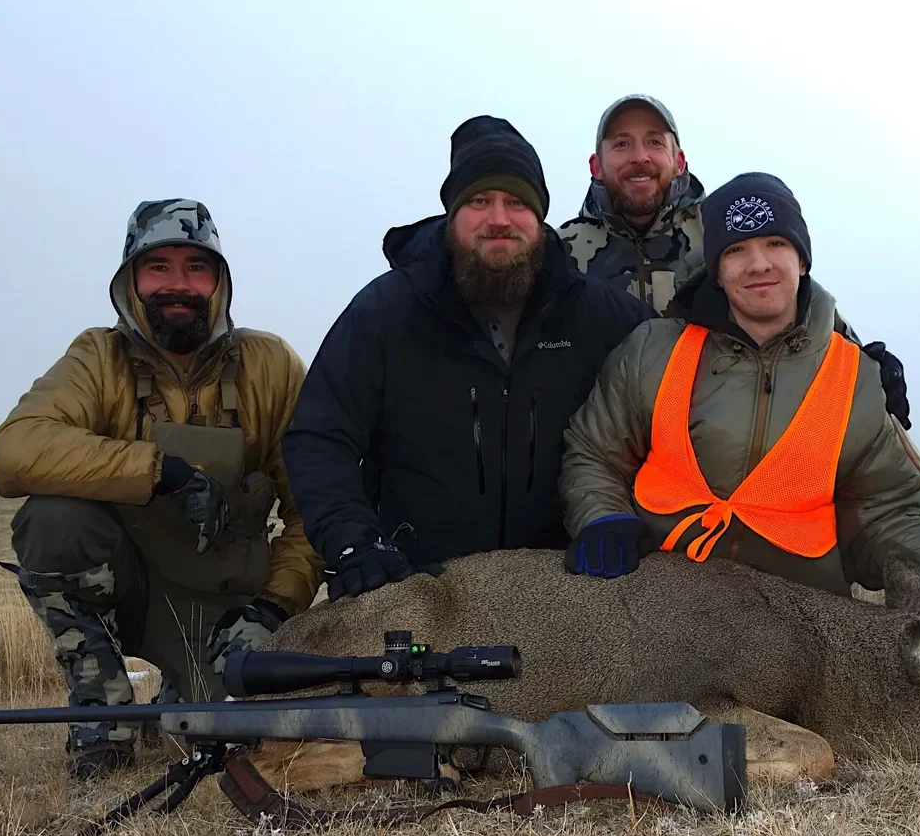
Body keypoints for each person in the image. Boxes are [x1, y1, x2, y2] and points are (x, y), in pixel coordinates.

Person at [0, 199, 322, 779]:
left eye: (197, 267)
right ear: (131, 280)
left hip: (225, 605)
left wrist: (272, 608)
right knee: (51, 519)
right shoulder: (98, 356)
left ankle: (182, 691)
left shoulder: (272, 364)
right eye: (158, 267)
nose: (179, 284)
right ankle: (102, 705)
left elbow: (313, 508)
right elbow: (13, 450)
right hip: (126, 589)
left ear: (218, 281)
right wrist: (160, 471)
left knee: (235, 734)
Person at [557, 173, 920, 608]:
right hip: (662, 608)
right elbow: (594, 455)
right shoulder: (653, 349)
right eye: (736, 250)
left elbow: (886, 515)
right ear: (718, 272)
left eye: (775, 244)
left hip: (802, 621)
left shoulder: (855, 376)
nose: (758, 263)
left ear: (802, 260)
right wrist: (602, 517)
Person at [280, 116, 657, 601]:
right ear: (452, 213)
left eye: (517, 202)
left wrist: (616, 520)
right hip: (418, 584)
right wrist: (355, 543)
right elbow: (319, 435)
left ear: (540, 217)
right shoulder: (385, 311)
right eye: (479, 201)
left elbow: (673, 406)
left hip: (569, 587)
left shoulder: (605, 316)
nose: (498, 218)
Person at [557, 94, 913, 429]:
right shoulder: (561, 253)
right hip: (603, 440)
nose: (640, 157)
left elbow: (794, 297)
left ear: (679, 161)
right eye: (621, 144)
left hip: (711, 444)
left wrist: (864, 365)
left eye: (654, 142)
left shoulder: (724, 231)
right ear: (596, 165)